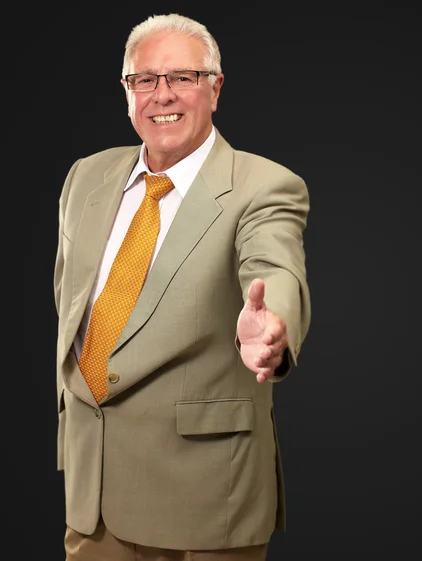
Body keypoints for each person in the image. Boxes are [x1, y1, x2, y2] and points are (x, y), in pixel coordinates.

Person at [53, 12, 310, 561]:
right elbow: (71, 309)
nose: (160, 95)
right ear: (126, 92)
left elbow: (274, 267)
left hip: (205, 498)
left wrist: (273, 326)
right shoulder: (85, 178)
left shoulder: (263, 185)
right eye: (143, 80)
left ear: (214, 88)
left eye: (182, 78)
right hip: (92, 489)